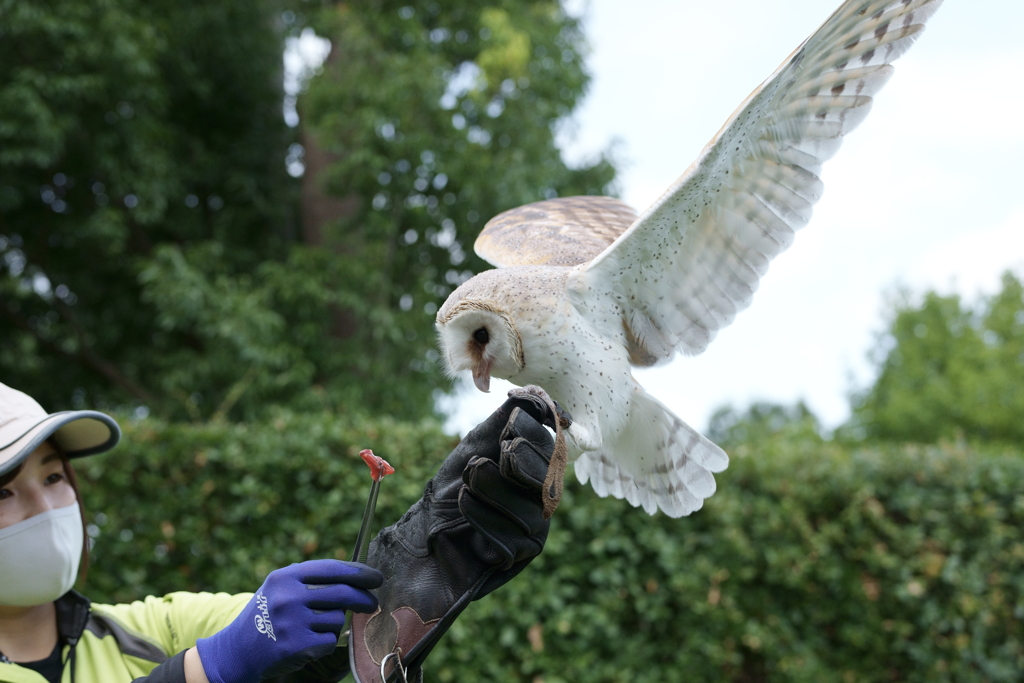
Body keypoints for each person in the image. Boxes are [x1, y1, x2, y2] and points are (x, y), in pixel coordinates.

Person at [0, 381, 561, 683]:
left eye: (54, 476)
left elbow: (304, 640)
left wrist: (414, 580)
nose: (44, 506)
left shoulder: (139, 630)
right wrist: (214, 667)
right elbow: (233, 653)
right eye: (4, 490)